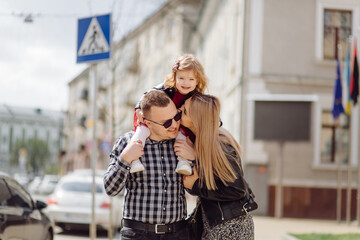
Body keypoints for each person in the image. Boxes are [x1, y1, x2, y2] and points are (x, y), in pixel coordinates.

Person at [103, 90, 195, 240]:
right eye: (166, 122)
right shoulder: (127, 142)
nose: (174, 124)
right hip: (137, 234)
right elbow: (110, 189)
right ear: (147, 122)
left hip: (178, 234)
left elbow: (199, 190)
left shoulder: (184, 143)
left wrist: (194, 158)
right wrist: (126, 158)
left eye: (176, 116)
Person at [178, 93, 257, 240]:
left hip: (231, 229)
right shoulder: (203, 144)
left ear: (197, 120)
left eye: (185, 111)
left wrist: (196, 186)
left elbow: (236, 190)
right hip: (216, 226)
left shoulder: (221, 146)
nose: (179, 110)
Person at [130, 53, 208, 175]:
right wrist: (139, 108)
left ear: (197, 81)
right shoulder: (167, 88)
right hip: (162, 121)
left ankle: (184, 162)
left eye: (191, 79)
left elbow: (209, 108)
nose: (185, 83)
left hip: (182, 125)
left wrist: (217, 121)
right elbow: (148, 94)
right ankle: (134, 159)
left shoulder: (198, 97)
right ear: (175, 77)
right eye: (181, 78)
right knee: (142, 129)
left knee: (182, 138)